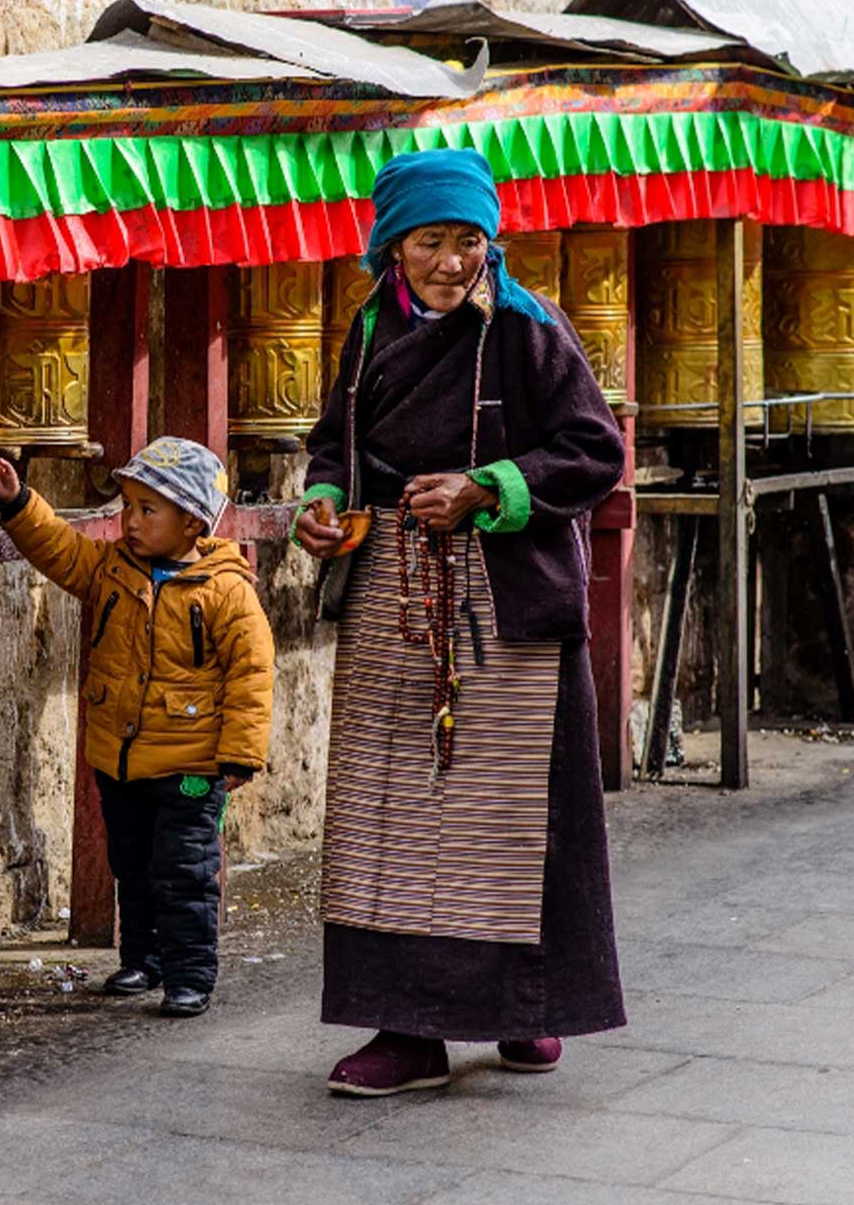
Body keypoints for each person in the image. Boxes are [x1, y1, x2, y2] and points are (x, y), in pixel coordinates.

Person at [293, 147, 628, 1095]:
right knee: (391, 818)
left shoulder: (527, 328)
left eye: (468, 241)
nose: (451, 261)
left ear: (493, 243)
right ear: (391, 249)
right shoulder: (368, 331)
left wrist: (488, 488)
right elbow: (335, 443)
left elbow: (594, 452)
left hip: (506, 605)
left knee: (509, 819)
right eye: (430, 242)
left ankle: (530, 1008)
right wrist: (324, 503)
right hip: (395, 596)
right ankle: (407, 1030)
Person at [0, 437, 274, 1017]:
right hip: (120, 759)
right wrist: (18, 502)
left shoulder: (226, 592)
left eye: (148, 510)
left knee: (185, 872)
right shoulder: (112, 568)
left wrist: (240, 755)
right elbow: (60, 550)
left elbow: (252, 674)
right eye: (129, 507)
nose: (130, 521)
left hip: (191, 764)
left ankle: (190, 975)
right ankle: (144, 959)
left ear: (193, 522)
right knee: (133, 866)